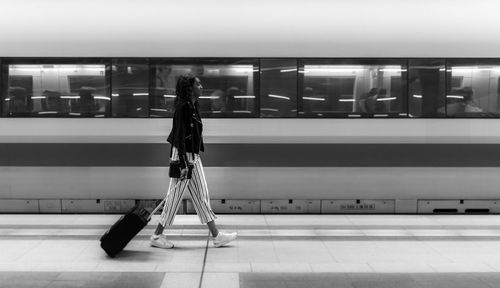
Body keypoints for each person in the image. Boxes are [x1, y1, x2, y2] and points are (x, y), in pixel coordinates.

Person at [150, 73, 237, 249]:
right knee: (174, 196)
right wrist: (182, 163)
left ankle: (217, 236)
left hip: (192, 156)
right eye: (199, 84)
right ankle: (157, 236)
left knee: (201, 195)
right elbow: (180, 136)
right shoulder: (183, 107)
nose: (202, 87)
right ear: (190, 88)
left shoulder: (193, 105)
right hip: (183, 157)